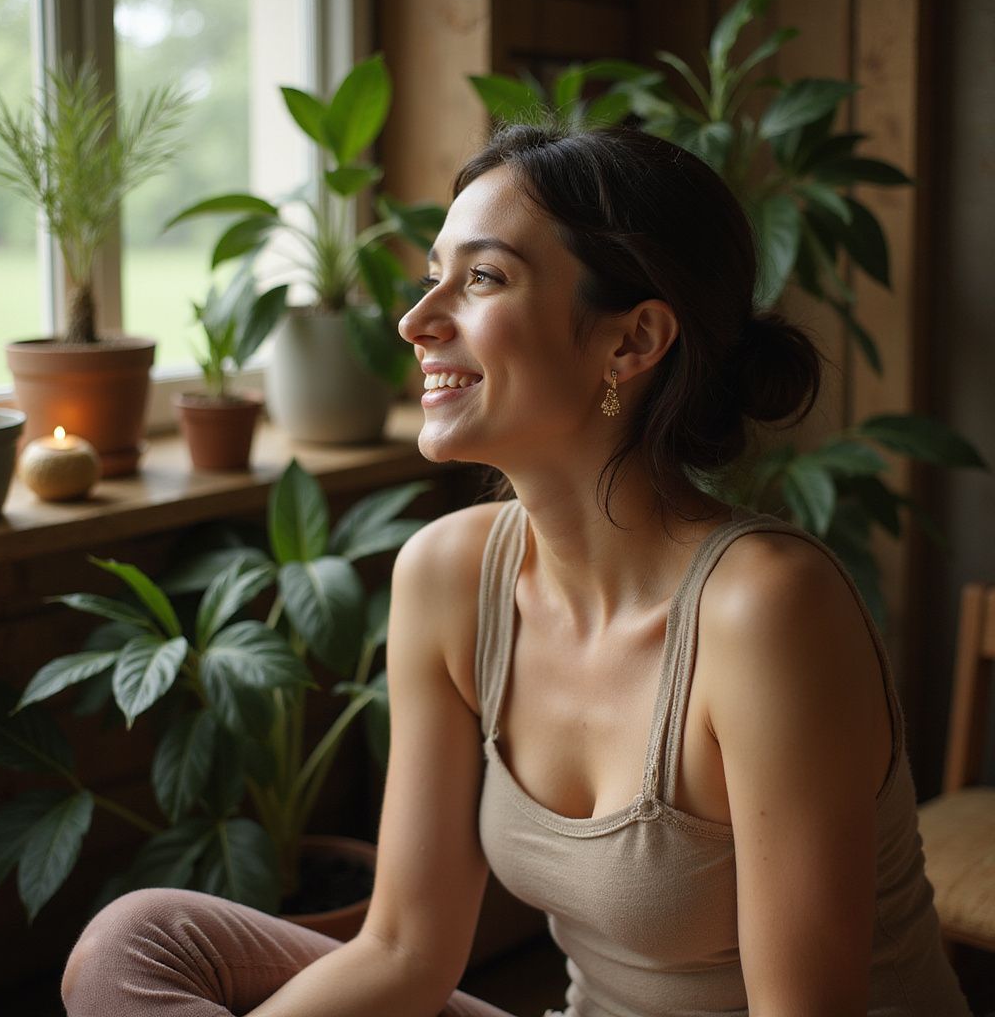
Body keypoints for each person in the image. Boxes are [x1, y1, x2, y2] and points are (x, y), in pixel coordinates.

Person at [61, 124, 970, 1017]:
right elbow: (404, 952)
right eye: (433, 278)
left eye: (484, 278)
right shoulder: (450, 577)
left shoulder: (766, 610)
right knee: (134, 944)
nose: (417, 321)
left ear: (631, 342)